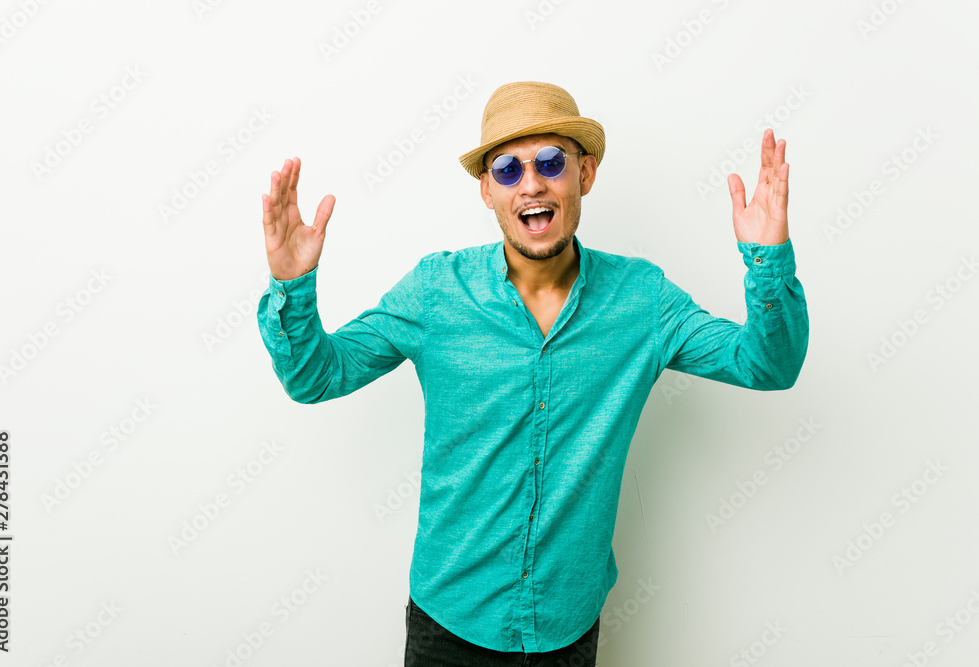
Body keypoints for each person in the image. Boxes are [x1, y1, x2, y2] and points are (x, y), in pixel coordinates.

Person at [257, 81, 809, 666]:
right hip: (451, 621)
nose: (532, 184)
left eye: (551, 162)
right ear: (487, 192)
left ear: (585, 174)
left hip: (566, 628)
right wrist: (293, 286)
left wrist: (766, 260)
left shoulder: (642, 300)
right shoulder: (435, 292)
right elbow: (315, 378)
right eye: (508, 170)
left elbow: (766, 366)